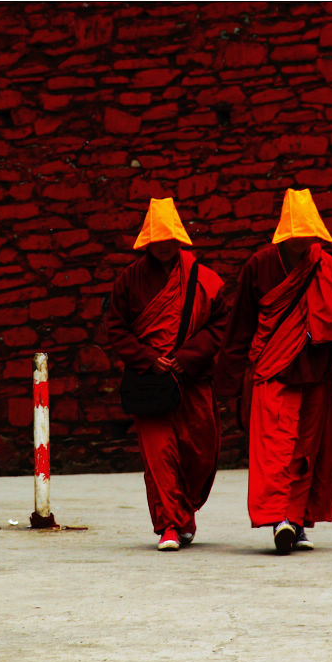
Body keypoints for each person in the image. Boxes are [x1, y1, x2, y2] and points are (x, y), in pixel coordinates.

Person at [214, 189, 332, 554]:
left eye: (307, 235)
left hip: (315, 370)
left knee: (305, 450)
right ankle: (279, 517)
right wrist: (228, 378)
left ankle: (295, 521)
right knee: (273, 448)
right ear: (284, 233)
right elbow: (241, 323)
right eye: (297, 234)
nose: (302, 241)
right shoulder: (260, 265)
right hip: (272, 368)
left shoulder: (326, 267)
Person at [106, 197, 228, 551]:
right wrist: (148, 358)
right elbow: (116, 328)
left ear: (178, 239)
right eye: (157, 241)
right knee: (159, 455)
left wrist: (186, 357)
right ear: (147, 242)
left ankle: (184, 514)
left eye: (169, 240)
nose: (163, 246)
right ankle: (169, 525)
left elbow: (221, 323)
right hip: (151, 382)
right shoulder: (130, 280)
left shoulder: (203, 279)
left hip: (193, 380)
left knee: (198, 453)